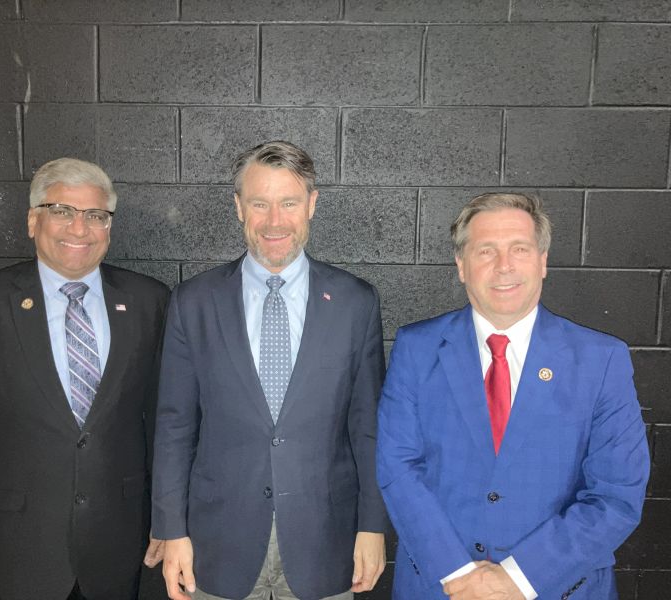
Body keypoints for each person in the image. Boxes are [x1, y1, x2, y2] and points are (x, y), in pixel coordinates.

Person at [377, 192, 650, 599]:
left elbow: (617, 494)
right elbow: (397, 466)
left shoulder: (601, 360)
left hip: (560, 587)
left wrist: (517, 578)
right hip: (440, 585)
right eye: (485, 250)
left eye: (519, 249)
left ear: (542, 261)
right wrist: (456, 573)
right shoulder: (417, 348)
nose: (503, 266)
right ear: (461, 266)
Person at [151, 140, 388, 600]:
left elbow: (369, 427)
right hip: (216, 545)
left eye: (289, 203)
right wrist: (171, 530)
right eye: (259, 203)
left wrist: (372, 526)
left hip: (326, 541)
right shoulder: (193, 302)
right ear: (238, 206)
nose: (274, 221)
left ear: (312, 205)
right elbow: (174, 425)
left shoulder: (356, 302)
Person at [0, 158, 170, 600]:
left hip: (122, 547)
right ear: (32, 220)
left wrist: (168, 519)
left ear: (109, 227)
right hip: (16, 552)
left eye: (95, 216)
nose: (78, 229)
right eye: (62, 210)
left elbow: (164, 425)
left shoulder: (149, 301)